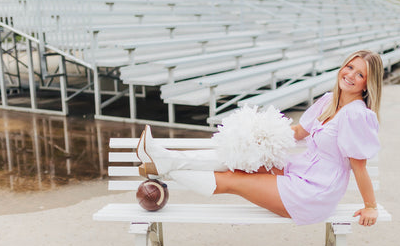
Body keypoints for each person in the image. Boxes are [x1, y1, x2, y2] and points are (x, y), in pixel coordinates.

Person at [137, 49, 383, 227]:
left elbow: (358, 166)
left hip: (315, 193)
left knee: (233, 180)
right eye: (350, 67)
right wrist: (257, 137)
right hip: (300, 170)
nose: (350, 75)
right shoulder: (329, 101)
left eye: (360, 74)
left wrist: (370, 206)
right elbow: (297, 133)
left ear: (366, 84)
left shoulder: (356, 115)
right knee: (238, 159)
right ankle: (164, 158)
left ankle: (164, 166)